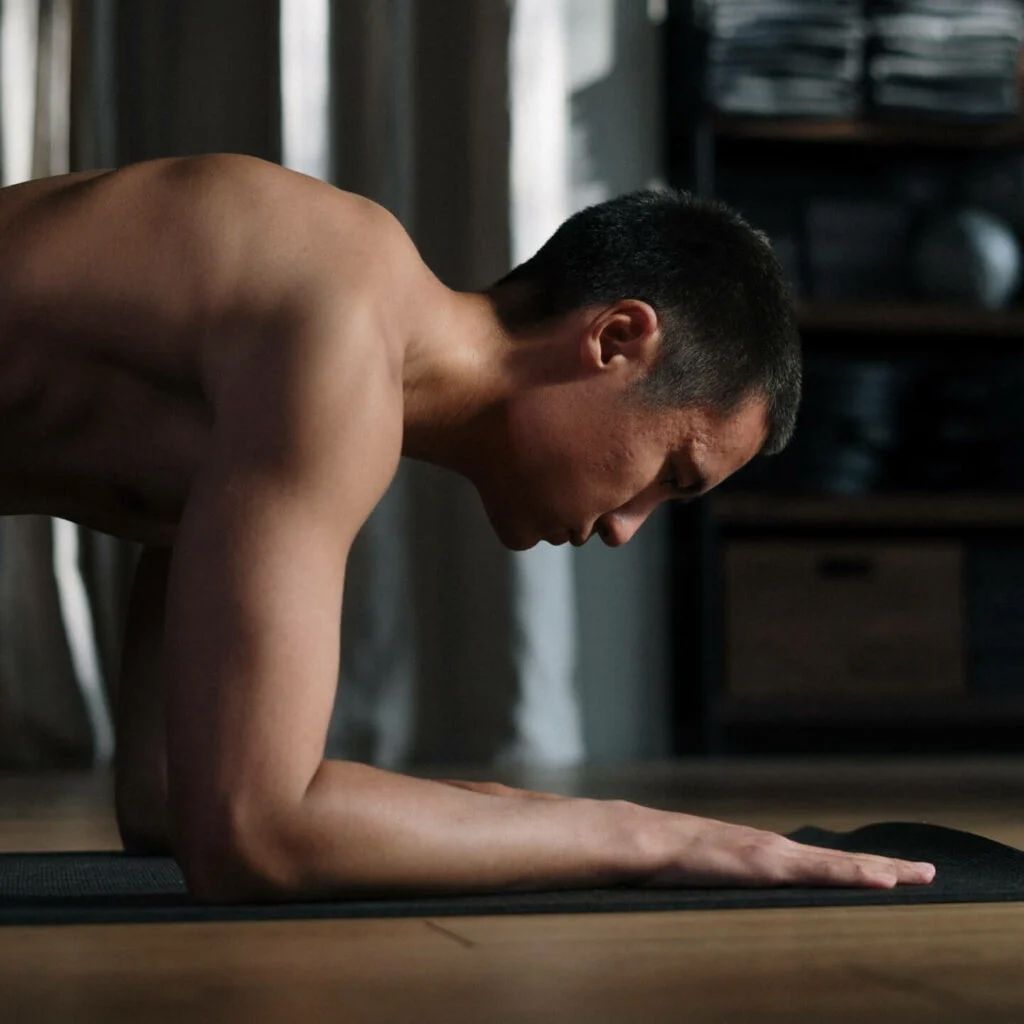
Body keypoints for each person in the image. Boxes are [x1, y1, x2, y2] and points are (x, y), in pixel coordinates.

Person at [0, 154, 935, 901]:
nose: (624, 530)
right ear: (616, 340)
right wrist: (645, 835)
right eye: (668, 474)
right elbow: (253, 836)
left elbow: (173, 799)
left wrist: (518, 812)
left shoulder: (281, 373)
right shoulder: (338, 314)